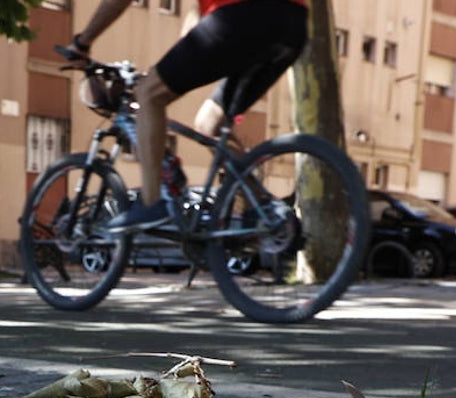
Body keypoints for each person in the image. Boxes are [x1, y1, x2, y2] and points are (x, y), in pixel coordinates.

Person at [72, 0, 309, 233]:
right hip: (293, 25)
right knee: (209, 125)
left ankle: (152, 201)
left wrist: (83, 42)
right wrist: (176, 65)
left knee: (148, 94)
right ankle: (259, 210)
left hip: (240, 16)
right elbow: (194, 28)